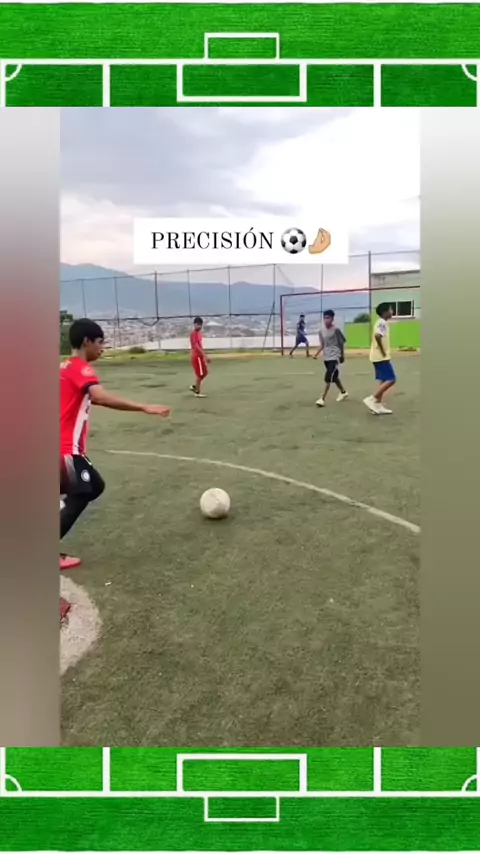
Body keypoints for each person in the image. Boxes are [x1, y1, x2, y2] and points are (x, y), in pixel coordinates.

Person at [60, 318, 170, 571]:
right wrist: (144, 407)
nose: (102, 347)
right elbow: (99, 396)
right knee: (85, 490)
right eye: (100, 342)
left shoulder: (64, 366)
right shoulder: (81, 368)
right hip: (67, 450)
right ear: (86, 342)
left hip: (62, 448)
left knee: (92, 486)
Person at [363, 303, 396, 415]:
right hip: (380, 357)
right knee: (391, 379)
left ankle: (377, 404)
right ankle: (372, 399)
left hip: (378, 357)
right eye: (390, 309)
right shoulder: (382, 322)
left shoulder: (382, 322)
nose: (392, 311)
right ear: (384, 312)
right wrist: (382, 352)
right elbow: (378, 336)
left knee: (383, 380)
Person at [313, 310, 348, 407]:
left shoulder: (336, 330)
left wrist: (342, 355)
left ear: (332, 319)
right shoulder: (321, 331)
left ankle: (322, 398)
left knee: (328, 377)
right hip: (326, 357)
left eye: (328, 318)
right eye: (325, 318)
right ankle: (343, 392)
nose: (326, 320)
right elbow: (322, 344)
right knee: (334, 377)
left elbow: (341, 343)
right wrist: (316, 354)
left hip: (335, 356)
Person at [189, 316, 209, 398]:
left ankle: (195, 386)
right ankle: (197, 392)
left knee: (205, 372)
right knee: (200, 374)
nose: (199, 326)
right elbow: (196, 346)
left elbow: (200, 345)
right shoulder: (193, 333)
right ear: (194, 324)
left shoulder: (199, 333)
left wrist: (204, 355)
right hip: (196, 357)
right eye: (198, 324)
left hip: (200, 357)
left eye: (200, 325)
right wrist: (204, 355)